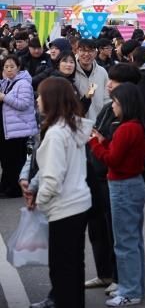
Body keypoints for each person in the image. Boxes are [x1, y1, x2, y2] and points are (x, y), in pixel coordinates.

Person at [33, 77, 93, 308]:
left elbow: (52, 178)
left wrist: (39, 201)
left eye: (40, 95)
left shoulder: (56, 133)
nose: (37, 100)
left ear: (51, 99)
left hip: (64, 207)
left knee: (61, 270)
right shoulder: (72, 126)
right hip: (79, 202)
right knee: (74, 266)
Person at [88, 83, 145, 306]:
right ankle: (135, 286)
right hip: (133, 183)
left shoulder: (126, 128)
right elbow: (119, 153)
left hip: (123, 185)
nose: (112, 106)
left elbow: (112, 160)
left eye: (115, 102)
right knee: (133, 240)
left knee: (124, 242)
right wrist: (104, 142)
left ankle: (130, 291)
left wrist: (94, 143)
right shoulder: (136, 125)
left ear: (125, 104)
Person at [0, 55, 38, 198]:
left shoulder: (23, 84)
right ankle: (6, 186)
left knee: (15, 161)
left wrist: (4, 97)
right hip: (9, 129)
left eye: (12, 66)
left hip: (19, 130)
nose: (9, 70)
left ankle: (14, 190)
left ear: (18, 68)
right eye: (6, 67)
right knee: (7, 160)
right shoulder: (6, 83)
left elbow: (23, 104)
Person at [74, 38, 111, 121]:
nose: (86, 54)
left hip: (98, 122)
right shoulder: (72, 71)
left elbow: (107, 98)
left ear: (96, 53)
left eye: (90, 51)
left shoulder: (102, 72)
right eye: (83, 50)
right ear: (77, 51)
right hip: (77, 122)